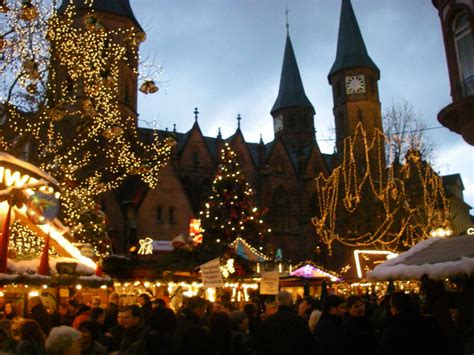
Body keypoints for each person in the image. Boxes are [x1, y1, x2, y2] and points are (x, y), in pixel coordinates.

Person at [257, 291, 316, 355]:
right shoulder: (299, 320)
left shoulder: (267, 322)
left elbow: (261, 345)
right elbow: (309, 343)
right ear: (290, 302)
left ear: (277, 303)